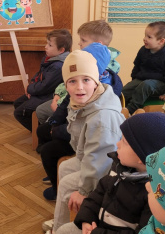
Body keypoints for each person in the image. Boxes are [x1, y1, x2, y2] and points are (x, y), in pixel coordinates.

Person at [27, 50, 124, 234]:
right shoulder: (83, 101)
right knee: (64, 167)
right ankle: (62, 220)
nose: (79, 87)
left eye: (86, 80)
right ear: (65, 84)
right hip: (91, 159)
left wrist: (84, 190)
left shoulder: (102, 117)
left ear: (96, 81)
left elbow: (101, 161)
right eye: (72, 81)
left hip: (110, 172)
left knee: (67, 185)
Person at [55, 113, 165, 234]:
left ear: (142, 156)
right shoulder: (120, 166)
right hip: (99, 230)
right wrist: (86, 218)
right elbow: (98, 194)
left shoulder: (155, 194)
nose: (117, 144)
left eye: (124, 142)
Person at [38, 42, 112, 191]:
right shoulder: (83, 84)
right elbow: (65, 105)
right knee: (43, 130)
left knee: (48, 151)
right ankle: (55, 174)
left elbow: (84, 129)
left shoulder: (99, 97)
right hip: (72, 130)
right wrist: (54, 122)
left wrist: (58, 131)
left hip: (82, 142)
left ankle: (56, 186)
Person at [35, 20, 121, 125]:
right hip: (67, 99)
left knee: (41, 111)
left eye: (83, 40)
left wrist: (59, 102)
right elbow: (69, 82)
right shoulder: (104, 65)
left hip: (75, 108)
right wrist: (58, 94)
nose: (79, 43)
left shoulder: (96, 70)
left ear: (98, 44)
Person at [13, 29, 72, 132]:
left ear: (61, 50)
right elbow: (39, 75)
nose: (45, 46)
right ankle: (36, 129)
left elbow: (45, 86)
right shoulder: (49, 58)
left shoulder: (58, 66)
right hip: (42, 92)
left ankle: (41, 132)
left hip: (48, 96)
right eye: (47, 43)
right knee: (18, 103)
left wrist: (30, 89)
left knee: (20, 112)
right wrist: (31, 85)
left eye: (50, 45)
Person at [122, 21, 165, 115]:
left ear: (161, 41)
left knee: (146, 85)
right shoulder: (143, 50)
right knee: (125, 90)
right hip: (142, 80)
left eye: (149, 37)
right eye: (145, 35)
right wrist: (134, 81)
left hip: (160, 84)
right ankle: (117, 107)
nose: (144, 39)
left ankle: (130, 111)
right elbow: (137, 66)